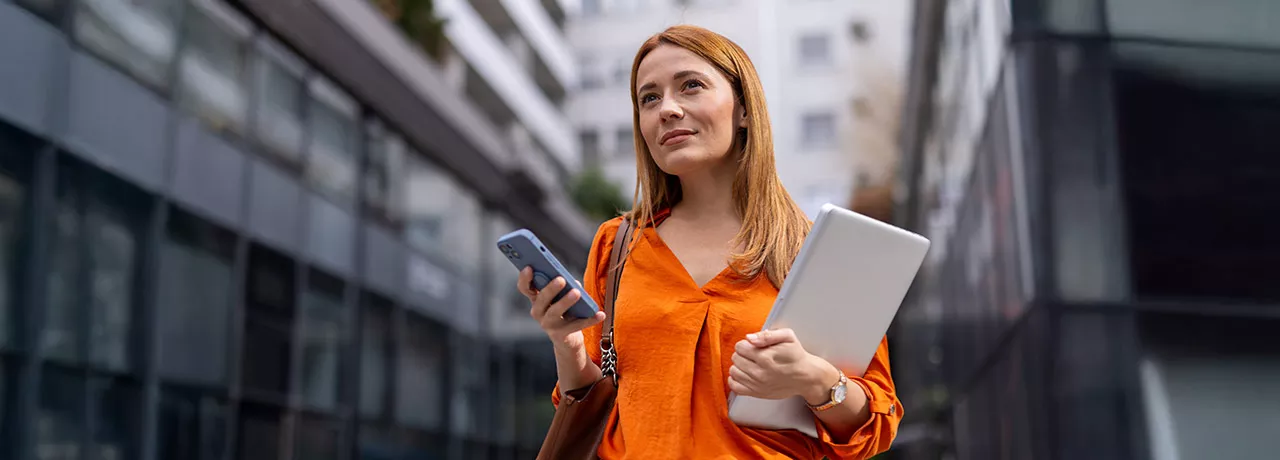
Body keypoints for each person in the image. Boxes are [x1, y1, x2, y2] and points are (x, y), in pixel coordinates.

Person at [518, 24, 901, 459]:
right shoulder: (617, 244)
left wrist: (812, 379)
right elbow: (594, 404)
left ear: (742, 107)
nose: (668, 109)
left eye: (691, 86)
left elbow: (874, 426)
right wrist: (567, 347)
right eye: (649, 98)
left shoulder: (818, 250)